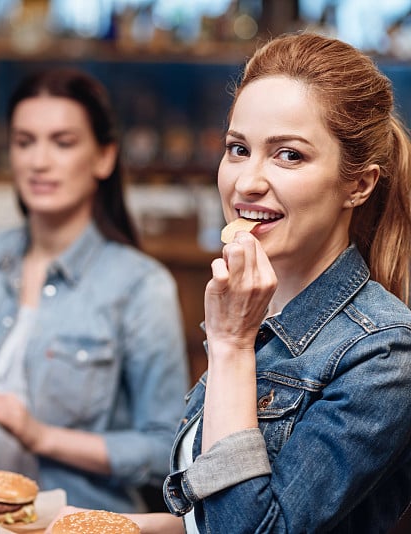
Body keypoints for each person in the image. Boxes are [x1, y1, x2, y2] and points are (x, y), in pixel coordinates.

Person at [152, 32, 411, 533]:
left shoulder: (386, 354)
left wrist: (229, 346)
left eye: (288, 155)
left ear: (358, 184)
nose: (246, 182)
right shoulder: (259, 315)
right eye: (237, 148)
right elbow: (209, 518)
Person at [0, 67, 190, 512]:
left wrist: (40, 436)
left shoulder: (140, 285)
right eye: (24, 141)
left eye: (63, 142)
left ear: (104, 157)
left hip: (75, 518)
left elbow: (165, 452)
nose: (38, 161)